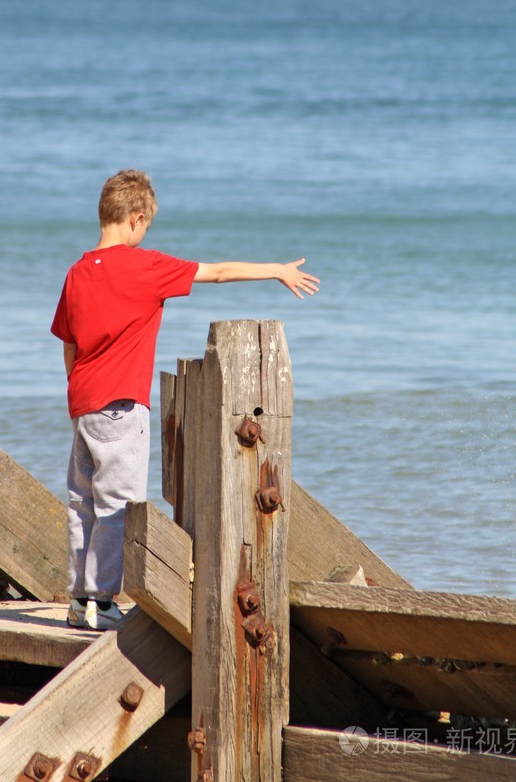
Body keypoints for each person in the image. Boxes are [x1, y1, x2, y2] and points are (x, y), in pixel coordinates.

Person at [51, 168, 319, 630]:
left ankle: (80, 602)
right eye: (146, 226)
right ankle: (105, 603)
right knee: (119, 506)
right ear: (136, 219)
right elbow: (216, 272)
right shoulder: (145, 265)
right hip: (123, 404)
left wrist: (78, 390)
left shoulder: (76, 273)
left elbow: (69, 344)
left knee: (82, 503)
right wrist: (275, 270)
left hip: (84, 406)